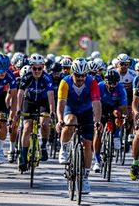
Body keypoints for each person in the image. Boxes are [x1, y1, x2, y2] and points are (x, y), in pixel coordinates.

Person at [56, 58, 102, 194]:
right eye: (77, 75)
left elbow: (97, 103)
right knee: (70, 120)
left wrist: (97, 120)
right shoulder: (65, 82)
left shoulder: (92, 83)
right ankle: (64, 148)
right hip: (70, 110)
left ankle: (85, 178)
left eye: (83, 76)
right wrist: (59, 120)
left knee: (87, 144)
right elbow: (61, 103)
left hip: (86, 112)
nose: (80, 78)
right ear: (72, 73)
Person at [16, 54, 55, 171]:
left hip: (43, 102)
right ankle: (23, 157)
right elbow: (20, 93)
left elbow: (51, 95)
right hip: (30, 102)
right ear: (31, 67)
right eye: (34, 68)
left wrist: (52, 111)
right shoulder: (26, 77)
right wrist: (18, 109)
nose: (37, 71)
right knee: (27, 127)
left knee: (44, 123)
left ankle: (43, 145)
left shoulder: (47, 78)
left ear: (43, 67)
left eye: (40, 68)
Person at [92, 69, 127, 172]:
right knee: (98, 132)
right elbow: (94, 104)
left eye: (114, 83)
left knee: (118, 114)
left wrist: (124, 117)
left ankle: (116, 135)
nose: (112, 85)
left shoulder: (121, 88)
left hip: (114, 108)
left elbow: (124, 106)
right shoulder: (99, 86)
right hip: (101, 108)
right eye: (110, 83)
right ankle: (97, 161)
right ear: (105, 81)